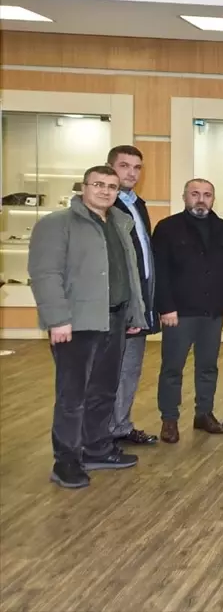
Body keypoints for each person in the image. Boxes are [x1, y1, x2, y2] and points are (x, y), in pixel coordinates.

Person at [30, 166, 147, 488]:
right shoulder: (57, 224)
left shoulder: (120, 223)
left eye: (111, 186)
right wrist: (57, 320)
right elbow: (45, 274)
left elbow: (129, 274)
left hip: (115, 319)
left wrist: (134, 314)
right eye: (98, 184)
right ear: (83, 187)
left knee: (104, 391)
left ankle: (96, 449)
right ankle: (66, 461)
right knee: (73, 397)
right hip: (77, 323)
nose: (105, 191)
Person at [152, 178, 223, 443]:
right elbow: (160, 272)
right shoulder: (168, 228)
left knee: (208, 366)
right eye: (195, 193)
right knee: (172, 368)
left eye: (207, 194)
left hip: (212, 312)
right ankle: (169, 419)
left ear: (213, 199)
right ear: (185, 197)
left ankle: (204, 413)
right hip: (178, 312)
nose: (201, 199)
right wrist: (166, 307)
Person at [107, 145, 159, 446]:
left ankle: (120, 427)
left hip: (139, 304)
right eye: (124, 165)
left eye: (137, 167)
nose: (131, 173)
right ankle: (100, 436)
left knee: (129, 369)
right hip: (116, 307)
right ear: (110, 167)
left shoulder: (137, 204)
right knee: (107, 373)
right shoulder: (105, 206)